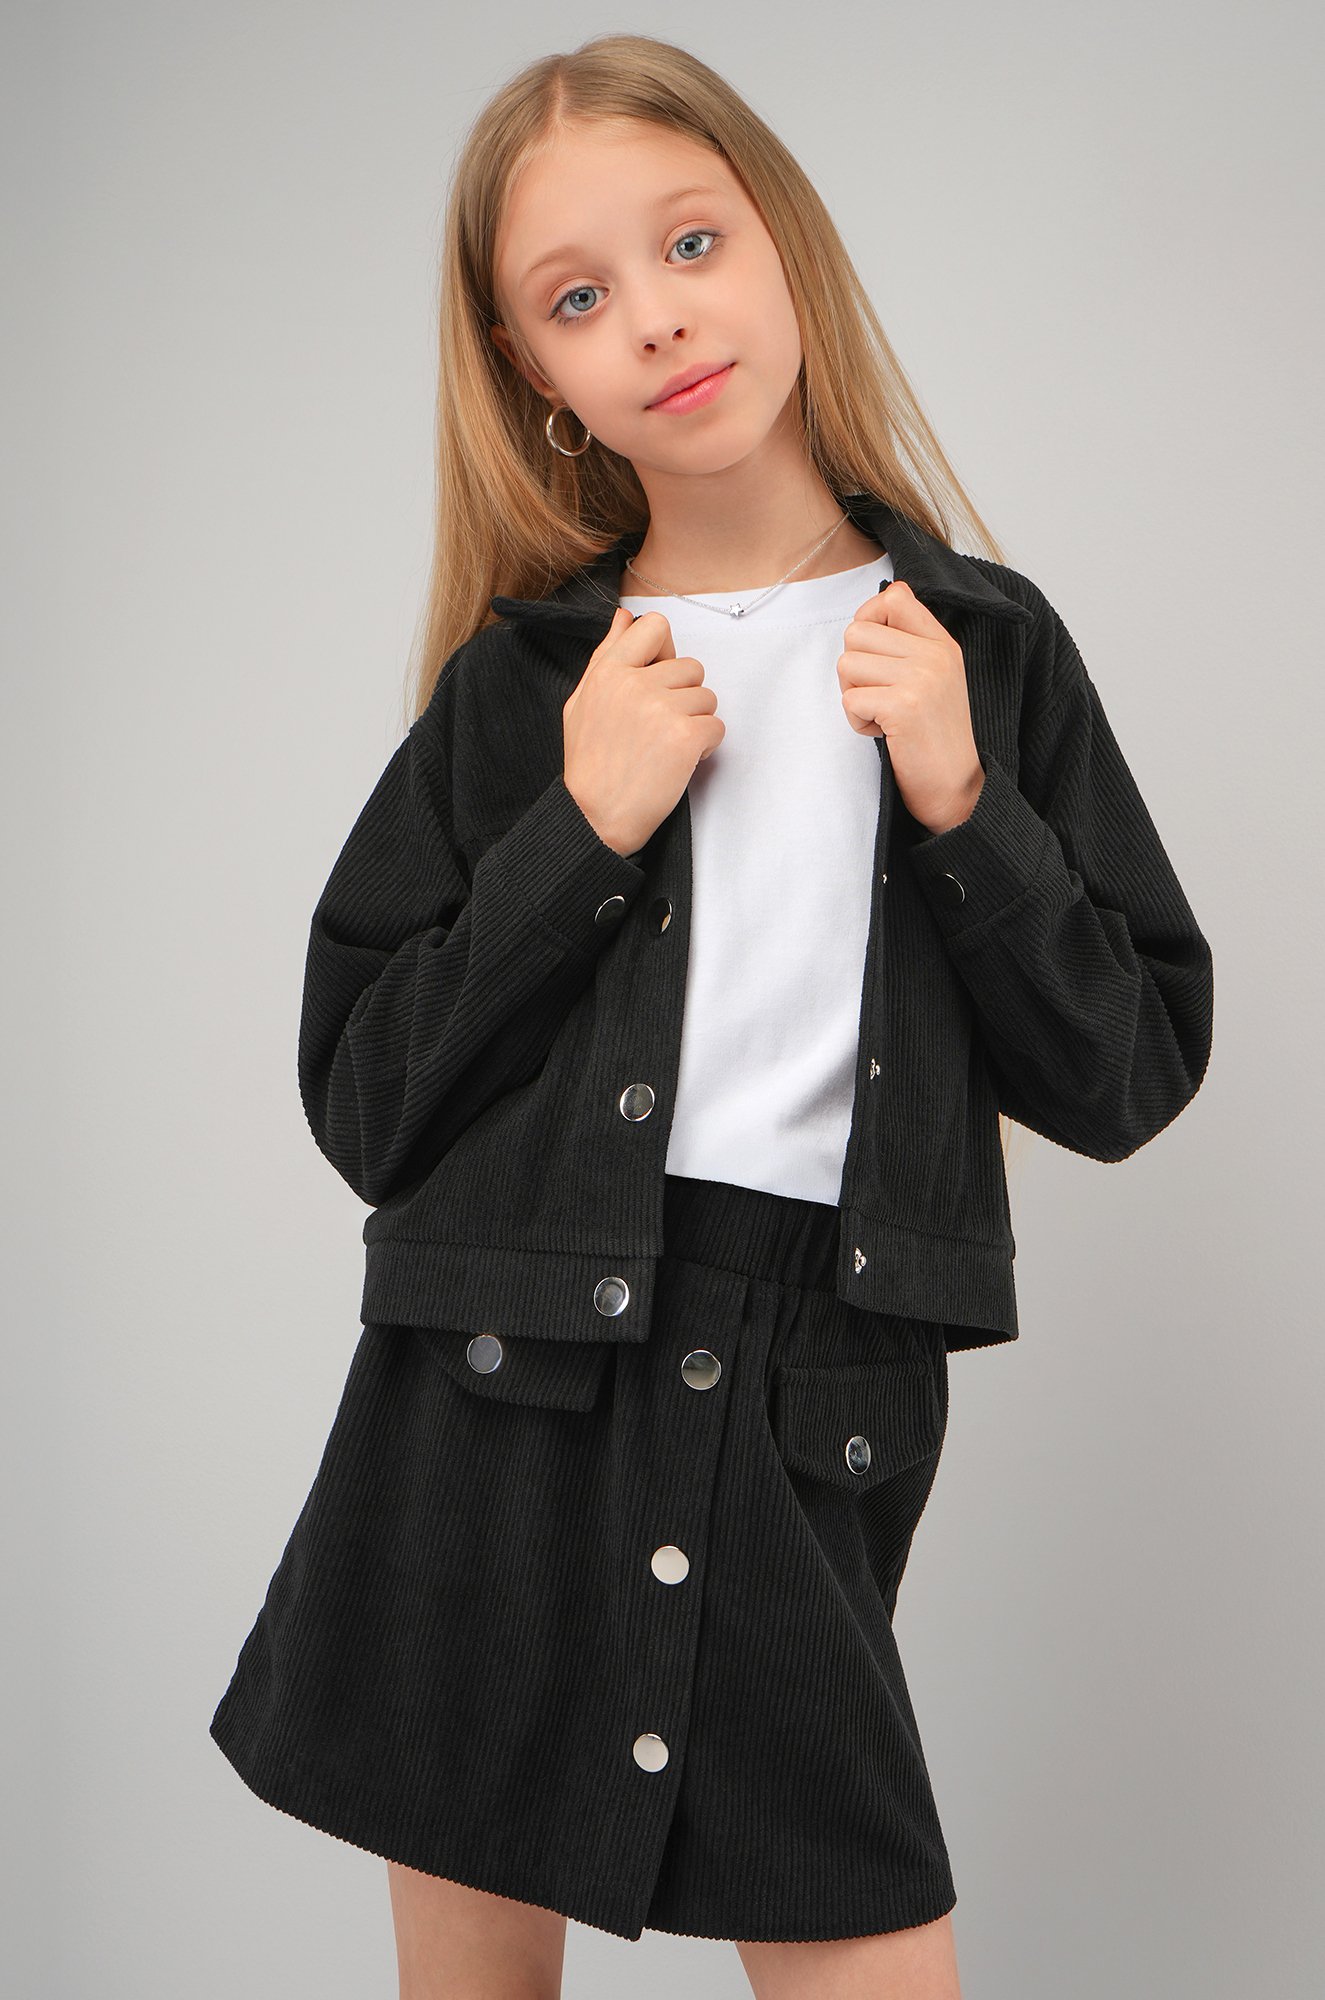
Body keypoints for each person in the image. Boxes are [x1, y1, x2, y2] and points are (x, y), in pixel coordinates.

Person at [209, 33, 1214, 2000]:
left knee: (860, 1927)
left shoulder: (981, 651)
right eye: (577, 297)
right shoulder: (528, 688)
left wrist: (966, 808)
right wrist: (578, 827)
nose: (656, 318)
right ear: (536, 375)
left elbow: (1127, 1073)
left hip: (808, 1377)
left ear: (783, 245)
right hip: (487, 1378)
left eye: (689, 244)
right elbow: (366, 1097)